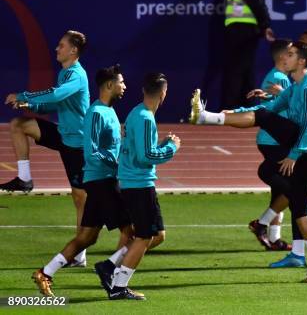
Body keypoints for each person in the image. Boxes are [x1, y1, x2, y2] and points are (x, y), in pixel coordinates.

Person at [191, 41, 307, 282]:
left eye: (290, 55)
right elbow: (272, 108)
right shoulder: (296, 86)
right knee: (297, 205)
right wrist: (231, 113)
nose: (284, 58)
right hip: (302, 142)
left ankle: (205, 117)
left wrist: (293, 155)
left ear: (301, 62)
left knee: (265, 126)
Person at [31, 65, 132, 297]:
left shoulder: (110, 111)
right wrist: (117, 164)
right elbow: (92, 152)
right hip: (102, 182)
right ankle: (113, 277)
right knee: (138, 233)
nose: (124, 86)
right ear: (109, 85)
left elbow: (112, 147)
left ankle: (45, 273)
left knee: (87, 237)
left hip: (101, 181)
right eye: (121, 82)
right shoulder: (96, 113)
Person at [2, 30, 90, 266]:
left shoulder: (77, 75)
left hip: (78, 144)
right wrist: (29, 104)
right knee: (19, 125)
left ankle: (79, 254)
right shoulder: (65, 73)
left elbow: (56, 94)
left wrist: (24, 95)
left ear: (73, 50)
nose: (56, 49)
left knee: (80, 198)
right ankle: (24, 178)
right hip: (63, 135)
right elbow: (55, 103)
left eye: (61, 45)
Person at [110, 73, 180, 300]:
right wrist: (171, 148)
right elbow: (146, 156)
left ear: (143, 90)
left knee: (156, 235)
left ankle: (111, 266)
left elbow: (139, 148)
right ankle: (118, 284)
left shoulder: (137, 113)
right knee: (145, 237)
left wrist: (163, 144)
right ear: (163, 93)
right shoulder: (145, 117)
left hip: (135, 181)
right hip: (138, 183)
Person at [243, 38, 292, 251]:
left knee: (280, 188)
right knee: (292, 189)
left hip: (272, 139)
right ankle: (261, 224)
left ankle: (274, 238)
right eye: (292, 53)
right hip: (274, 140)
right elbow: (288, 110)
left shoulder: (278, 77)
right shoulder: (278, 78)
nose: (295, 57)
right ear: (283, 57)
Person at [221, 0, 275, 110]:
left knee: (237, 70)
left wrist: (265, 24)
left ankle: (231, 108)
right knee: (244, 69)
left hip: (243, 30)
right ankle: (247, 106)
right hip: (240, 30)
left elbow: (256, 2)